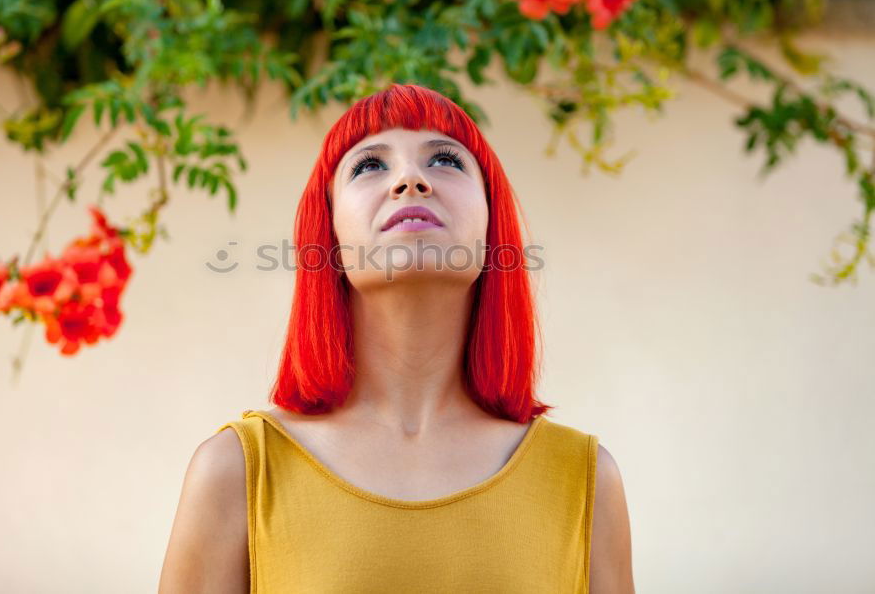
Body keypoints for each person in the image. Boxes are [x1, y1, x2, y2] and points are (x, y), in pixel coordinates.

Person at [159, 83, 633, 593]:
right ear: (330, 234)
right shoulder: (236, 472)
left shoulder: (586, 481)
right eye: (369, 166)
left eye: (447, 160)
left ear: (494, 225)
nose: (410, 179)